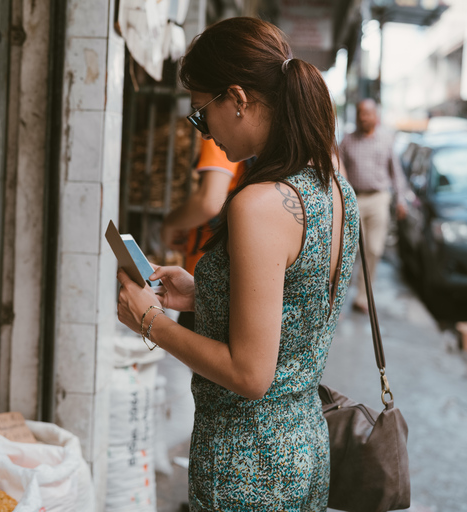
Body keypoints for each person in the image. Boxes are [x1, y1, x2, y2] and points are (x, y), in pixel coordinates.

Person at [116, 17, 360, 511]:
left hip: (246, 465)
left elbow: (250, 374)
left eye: (201, 116)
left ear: (238, 98)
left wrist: (151, 322)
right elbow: (297, 306)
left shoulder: (260, 204)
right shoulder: (332, 186)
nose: (204, 132)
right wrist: (205, 293)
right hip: (303, 446)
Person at [160, 138, 245, 330]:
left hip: (213, 272)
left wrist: (170, 225)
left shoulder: (221, 134)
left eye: (201, 109)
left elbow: (210, 201)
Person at [339, 99, 407, 313]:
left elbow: (396, 172)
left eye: (367, 114)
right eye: (360, 113)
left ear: (375, 117)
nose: (363, 117)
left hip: (379, 198)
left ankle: (363, 296)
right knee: (351, 250)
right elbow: (339, 169)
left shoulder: (386, 141)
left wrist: (401, 199)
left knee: (374, 249)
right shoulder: (347, 141)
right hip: (355, 199)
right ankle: (339, 298)